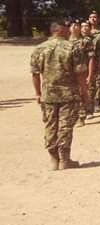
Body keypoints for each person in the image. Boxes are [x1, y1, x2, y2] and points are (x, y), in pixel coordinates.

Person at [30, 21, 81, 170]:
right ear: (60, 30)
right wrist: (84, 93)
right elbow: (80, 73)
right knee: (65, 126)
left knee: (50, 125)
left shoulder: (39, 48)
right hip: (68, 94)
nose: (69, 32)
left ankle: (53, 160)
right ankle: (65, 160)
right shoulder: (72, 47)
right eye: (67, 30)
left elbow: (35, 73)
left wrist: (38, 93)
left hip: (48, 94)